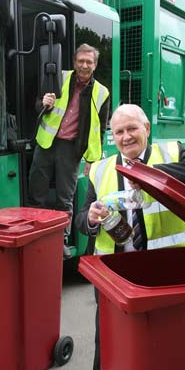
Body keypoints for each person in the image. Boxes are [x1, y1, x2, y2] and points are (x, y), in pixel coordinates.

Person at [74, 103, 185, 370]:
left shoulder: (170, 153)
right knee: (110, 342)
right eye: (119, 132)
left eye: (132, 129)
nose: (126, 137)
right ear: (112, 137)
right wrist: (89, 217)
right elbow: (79, 221)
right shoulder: (100, 170)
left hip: (167, 273)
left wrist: (151, 175)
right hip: (115, 275)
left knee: (167, 341)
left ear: (146, 129)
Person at [28, 43, 110, 258]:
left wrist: (93, 160)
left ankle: (61, 241)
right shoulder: (58, 76)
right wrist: (42, 103)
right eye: (80, 61)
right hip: (46, 143)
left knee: (65, 199)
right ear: (74, 62)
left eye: (89, 62)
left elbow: (99, 129)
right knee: (37, 191)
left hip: (71, 149)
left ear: (95, 65)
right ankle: (35, 233)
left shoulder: (102, 92)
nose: (84, 65)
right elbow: (37, 103)